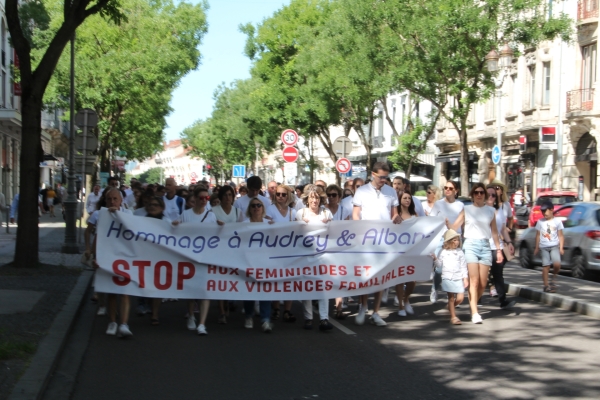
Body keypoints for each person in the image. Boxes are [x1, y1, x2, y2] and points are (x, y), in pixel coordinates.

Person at [352, 162, 399, 326]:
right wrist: (361, 232)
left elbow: (394, 215)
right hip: (366, 241)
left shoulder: (391, 192)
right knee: (365, 275)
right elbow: (355, 214)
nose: (384, 180)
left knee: (381, 277)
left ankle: (376, 312)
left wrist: (397, 219)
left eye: (386, 177)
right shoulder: (361, 191)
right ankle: (362, 305)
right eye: (381, 177)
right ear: (373, 174)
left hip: (385, 241)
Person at [451, 183, 503, 324]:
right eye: (476, 192)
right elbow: (454, 227)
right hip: (470, 245)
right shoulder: (466, 209)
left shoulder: (491, 211)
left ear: (484, 195)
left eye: (481, 192)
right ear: (473, 195)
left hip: (485, 246)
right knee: (473, 281)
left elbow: (494, 232)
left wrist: (499, 250)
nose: (479, 195)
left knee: (482, 283)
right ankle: (474, 312)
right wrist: (441, 224)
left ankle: (473, 302)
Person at [172, 186, 218, 335]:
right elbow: (175, 229)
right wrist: (175, 226)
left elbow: (216, 235)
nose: (204, 201)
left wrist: (221, 227)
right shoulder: (186, 214)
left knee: (205, 291)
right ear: (195, 198)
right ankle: (191, 315)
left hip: (205, 257)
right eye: (201, 198)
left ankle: (202, 323)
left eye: (207, 198)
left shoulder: (211, 216)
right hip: (190, 257)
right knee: (192, 289)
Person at [90, 187, 134, 337]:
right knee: (112, 293)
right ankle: (112, 321)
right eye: (109, 199)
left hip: (125, 258)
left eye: (115, 199)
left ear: (121, 201)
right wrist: (94, 256)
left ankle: (124, 324)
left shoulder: (128, 214)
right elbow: (98, 237)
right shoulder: (101, 215)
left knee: (125, 292)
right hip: (108, 257)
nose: (112, 201)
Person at [296, 185, 334, 331]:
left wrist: (329, 224)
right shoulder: (301, 213)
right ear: (307, 199)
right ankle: (308, 318)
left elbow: (336, 231)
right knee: (308, 286)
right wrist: (300, 224)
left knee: (323, 287)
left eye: (317, 197)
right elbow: (293, 232)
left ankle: (324, 318)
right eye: (312, 197)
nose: (314, 200)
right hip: (305, 256)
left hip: (323, 256)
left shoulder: (327, 213)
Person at [136, 195, 171, 325]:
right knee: (144, 283)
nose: (152, 207)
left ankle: (155, 313)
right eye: (150, 205)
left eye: (155, 205)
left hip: (160, 257)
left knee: (157, 285)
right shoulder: (141, 220)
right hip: (144, 256)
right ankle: (144, 304)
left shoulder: (167, 222)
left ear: (162, 208)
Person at [211, 185, 244, 324]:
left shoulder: (237, 212)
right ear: (220, 197)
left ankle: (228, 302)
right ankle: (222, 311)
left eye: (230, 195)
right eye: (225, 195)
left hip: (233, 251)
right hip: (218, 249)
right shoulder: (213, 211)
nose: (227, 198)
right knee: (220, 278)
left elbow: (243, 230)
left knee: (231, 279)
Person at [428, 181, 464, 304]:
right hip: (441, 239)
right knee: (439, 268)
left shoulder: (460, 205)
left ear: (456, 191)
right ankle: (435, 288)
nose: (447, 190)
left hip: (455, 239)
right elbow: (431, 221)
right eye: (445, 188)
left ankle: (453, 297)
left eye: (450, 188)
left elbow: (463, 225)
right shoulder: (438, 204)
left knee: (455, 268)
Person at [243, 197, 274, 333]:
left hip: (265, 262)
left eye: (259, 205)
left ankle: (265, 320)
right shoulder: (244, 224)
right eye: (253, 205)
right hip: (248, 261)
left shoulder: (269, 224)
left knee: (264, 291)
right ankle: (249, 316)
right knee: (249, 290)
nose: (256, 208)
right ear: (249, 209)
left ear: (263, 208)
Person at [486, 184, 516, 309]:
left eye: (494, 194)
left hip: (495, 246)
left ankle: (502, 300)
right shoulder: (479, 210)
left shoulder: (499, 211)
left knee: (498, 273)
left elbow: (503, 230)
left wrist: (509, 243)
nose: (491, 197)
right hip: (481, 246)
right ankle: (476, 299)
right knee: (481, 276)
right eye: (489, 194)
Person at [432, 229, 468, 325]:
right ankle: (453, 317)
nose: (457, 242)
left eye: (458, 240)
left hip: (458, 277)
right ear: (449, 241)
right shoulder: (443, 252)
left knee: (460, 298)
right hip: (447, 277)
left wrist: (465, 278)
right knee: (451, 298)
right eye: (455, 240)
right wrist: (435, 258)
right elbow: (439, 265)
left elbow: (463, 265)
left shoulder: (460, 252)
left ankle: (450, 307)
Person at [326, 184, 351, 319]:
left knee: (338, 276)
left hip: (339, 248)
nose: (331, 198)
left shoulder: (344, 211)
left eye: (334, 195)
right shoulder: (323, 210)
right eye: (329, 195)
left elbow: (347, 229)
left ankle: (339, 307)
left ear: (339, 197)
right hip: (324, 248)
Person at [394, 191, 418, 317]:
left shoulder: (414, 215)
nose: (407, 200)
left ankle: (406, 297)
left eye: (409, 198)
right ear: (400, 200)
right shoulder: (395, 215)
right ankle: (401, 306)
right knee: (399, 278)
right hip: (398, 250)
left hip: (412, 251)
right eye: (405, 198)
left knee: (412, 280)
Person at [534, 202, 564, 293]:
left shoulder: (557, 221)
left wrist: (561, 247)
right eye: (542, 212)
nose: (544, 214)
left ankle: (553, 278)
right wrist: (536, 247)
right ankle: (546, 285)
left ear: (552, 210)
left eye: (545, 211)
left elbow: (561, 235)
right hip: (544, 247)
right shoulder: (540, 222)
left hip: (554, 246)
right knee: (546, 266)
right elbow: (538, 235)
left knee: (557, 264)